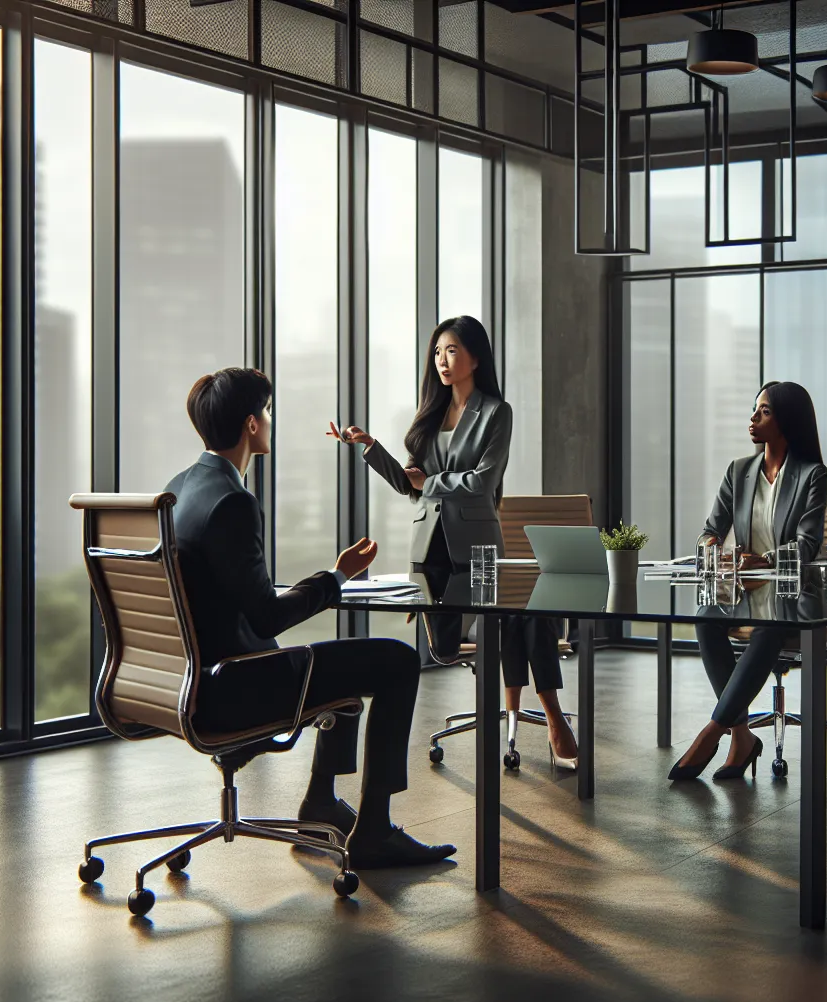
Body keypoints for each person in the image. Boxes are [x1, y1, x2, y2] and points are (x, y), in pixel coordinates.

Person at [166, 368, 454, 869]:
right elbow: (267, 616)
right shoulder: (233, 501)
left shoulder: (180, 489)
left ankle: (320, 803)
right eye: (270, 413)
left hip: (189, 678)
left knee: (343, 671)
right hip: (235, 687)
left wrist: (319, 580)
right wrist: (337, 576)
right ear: (253, 425)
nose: (272, 422)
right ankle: (375, 831)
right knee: (396, 661)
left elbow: (226, 591)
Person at [329, 315, 579, 769]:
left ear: (475, 358)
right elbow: (411, 486)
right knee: (468, 640)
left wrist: (432, 481)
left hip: (479, 551)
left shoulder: (496, 413)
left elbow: (484, 484)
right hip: (429, 555)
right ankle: (535, 713)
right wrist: (370, 448)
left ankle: (552, 716)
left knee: (523, 617)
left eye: (453, 351)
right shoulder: (427, 418)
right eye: (439, 352)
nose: (444, 360)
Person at [669, 382, 827, 781]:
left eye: (764, 412)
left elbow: (808, 544)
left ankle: (713, 730)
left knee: (769, 628)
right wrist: (711, 546)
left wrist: (766, 560)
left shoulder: (812, 474)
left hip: (795, 591)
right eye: (754, 410)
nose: (753, 419)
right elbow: (710, 529)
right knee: (706, 613)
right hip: (744, 588)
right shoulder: (738, 471)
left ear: (787, 420)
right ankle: (741, 735)